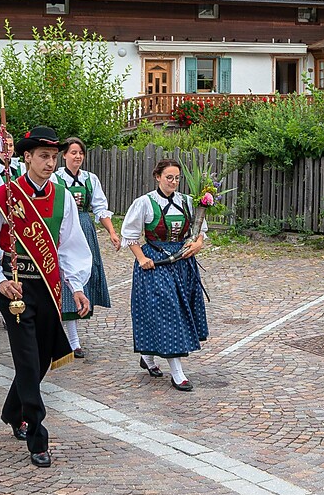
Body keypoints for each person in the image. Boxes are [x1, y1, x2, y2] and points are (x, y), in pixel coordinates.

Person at [0, 126, 92, 467]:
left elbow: (70, 247)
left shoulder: (63, 196)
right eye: (43, 156)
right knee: (26, 359)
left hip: (48, 288)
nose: (50, 163)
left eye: (54, 157)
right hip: (16, 288)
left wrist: (77, 287)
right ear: (26, 157)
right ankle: (37, 434)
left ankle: (11, 411)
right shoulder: (4, 195)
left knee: (39, 361)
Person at [122, 159, 211, 390]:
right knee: (169, 314)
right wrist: (142, 258)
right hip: (156, 264)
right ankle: (178, 373)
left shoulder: (188, 202)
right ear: (158, 177)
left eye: (177, 178)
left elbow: (200, 231)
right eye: (169, 177)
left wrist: (198, 244)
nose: (173, 182)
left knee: (180, 311)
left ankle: (149, 358)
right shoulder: (145, 203)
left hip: (182, 263)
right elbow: (130, 234)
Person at [54, 138, 119, 358]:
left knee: (81, 277)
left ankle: (73, 338)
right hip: (61, 230)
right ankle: (67, 339)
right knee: (64, 279)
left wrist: (111, 232)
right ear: (64, 156)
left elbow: (100, 208)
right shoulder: (55, 179)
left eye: (80, 153)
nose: (77, 157)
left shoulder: (90, 179)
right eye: (73, 152)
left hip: (84, 227)